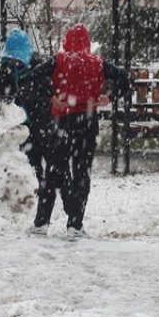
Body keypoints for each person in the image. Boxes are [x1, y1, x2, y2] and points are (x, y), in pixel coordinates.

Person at [27, 24, 132, 236]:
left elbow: (33, 76)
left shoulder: (58, 61)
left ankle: (41, 223)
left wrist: (51, 94)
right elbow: (127, 79)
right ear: (87, 42)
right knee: (81, 173)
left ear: (67, 41)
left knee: (53, 172)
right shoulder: (98, 63)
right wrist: (110, 97)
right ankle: (75, 224)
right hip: (88, 121)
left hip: (62, 122)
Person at [0, 28, 54, 211]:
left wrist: (27, 95)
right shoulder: (7, 71)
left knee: (45, 158)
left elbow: (48, 95)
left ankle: (45, 194)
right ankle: (25, 194)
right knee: (27, 160)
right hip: (21, 127)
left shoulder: (41, 69)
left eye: (18, 61)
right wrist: (2, 104)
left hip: (42, 122)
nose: (14, 65)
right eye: (10, 61)